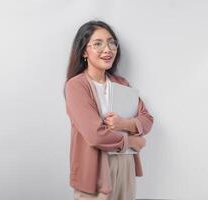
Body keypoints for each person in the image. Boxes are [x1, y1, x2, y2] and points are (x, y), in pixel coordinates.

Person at [64, 20, 154, 200]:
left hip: (126, 166)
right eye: (98, 44)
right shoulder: (76, 86)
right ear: (84, 51)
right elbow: (95, 135)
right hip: (94, 171)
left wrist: (125, 123)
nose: (108, 49)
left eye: (111, 43)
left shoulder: (122, 84)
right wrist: (131, 142)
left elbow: (147, 119)